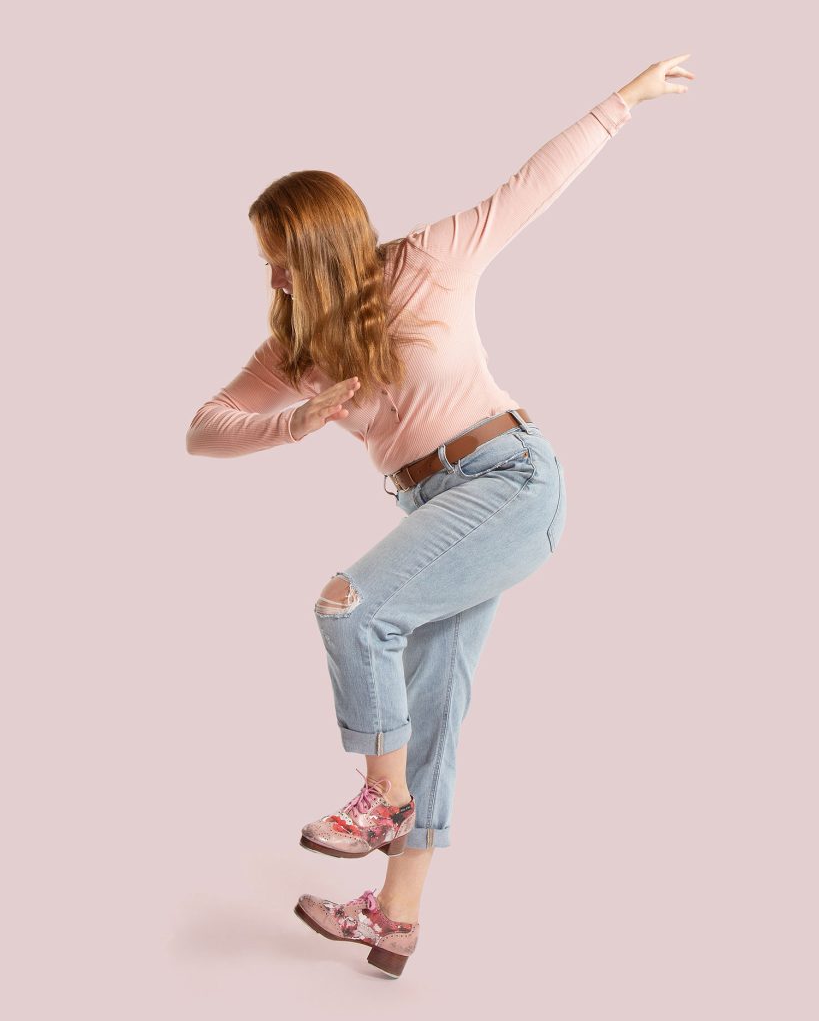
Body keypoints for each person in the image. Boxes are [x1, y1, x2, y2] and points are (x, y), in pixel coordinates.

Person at [185, 55, 694, 978]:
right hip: (434, 507)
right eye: (264, 259)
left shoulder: (424, 261)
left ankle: (377, 800)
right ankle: (395, 922)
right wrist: (297, 420)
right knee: (434, 712)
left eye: (283, 256)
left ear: (327, 245)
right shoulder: (294, 351)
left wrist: (625, 101)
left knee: (350, 606)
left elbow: (528, 188)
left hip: (507, 483)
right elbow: (202, 429)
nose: (274, 276)